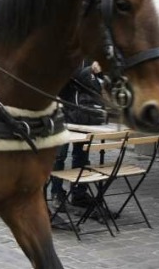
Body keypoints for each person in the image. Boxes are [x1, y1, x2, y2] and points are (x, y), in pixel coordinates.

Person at [51, 61, 106, 211]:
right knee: (59, 157)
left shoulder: (89, 55)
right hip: (61, 114)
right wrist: (90, 71)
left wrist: (99, 73)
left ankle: (79, 194)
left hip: (83, 116)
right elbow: (65, 77)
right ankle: (57, 193)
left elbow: (96, 84)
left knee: (81, 156)